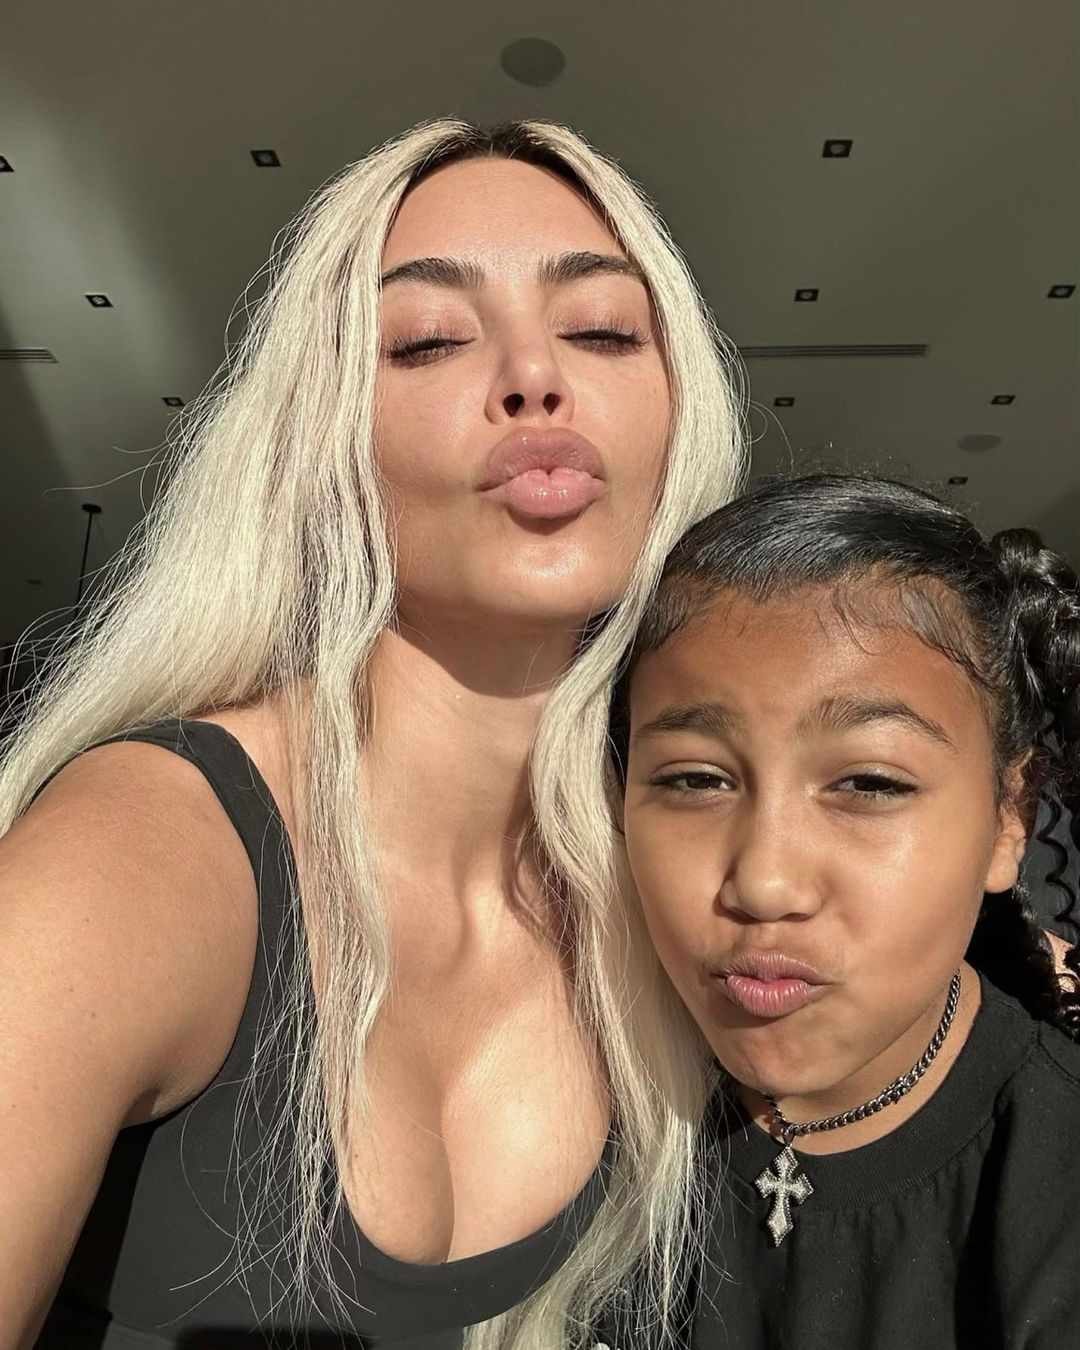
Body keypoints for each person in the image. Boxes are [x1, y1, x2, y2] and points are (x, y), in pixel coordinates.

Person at [0, 121, 746, 1349]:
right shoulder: (141, 851)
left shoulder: (678, 893)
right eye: (429, 340)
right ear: (326, 436)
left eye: (604, 329)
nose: (533, 375)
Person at [608, 472, 1080, 1349]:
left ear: (1008, 818)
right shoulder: (584, 1108)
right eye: (696, 779)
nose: (765, 885)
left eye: (869, 783)